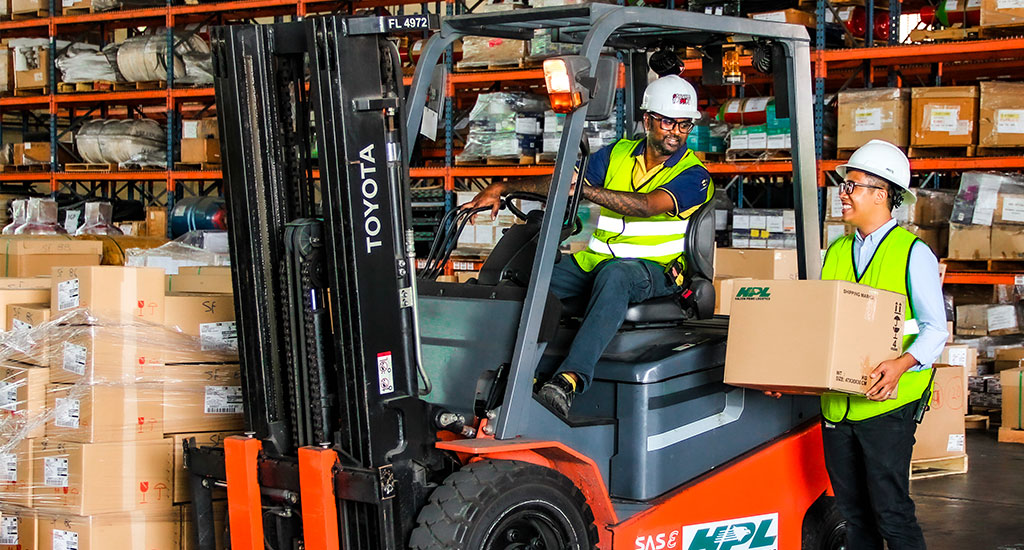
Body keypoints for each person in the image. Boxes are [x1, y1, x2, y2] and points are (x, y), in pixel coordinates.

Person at [462, 74, 714, 416]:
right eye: (669, 121)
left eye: (684, 124)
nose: (676, 132)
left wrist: (584, 189)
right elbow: (563, 181)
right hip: (595, 262)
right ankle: (504, 375)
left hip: (655, 273)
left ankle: (569, 380)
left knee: (615, 276)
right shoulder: (618, 154)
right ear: (648, 119)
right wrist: (502, 187)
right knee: (527, 282)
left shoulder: (694, 175)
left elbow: (646, 205)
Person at [818, 139, 948, 550]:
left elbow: (935, 329)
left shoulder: (913, 254)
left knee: (890, 511)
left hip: (888, 403)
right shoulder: (837, 250)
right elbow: (825, 320)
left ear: (880, 193)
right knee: (853, 514)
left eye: (851, 185)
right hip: (838, 404)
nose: (842, 193)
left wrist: (902, 364)